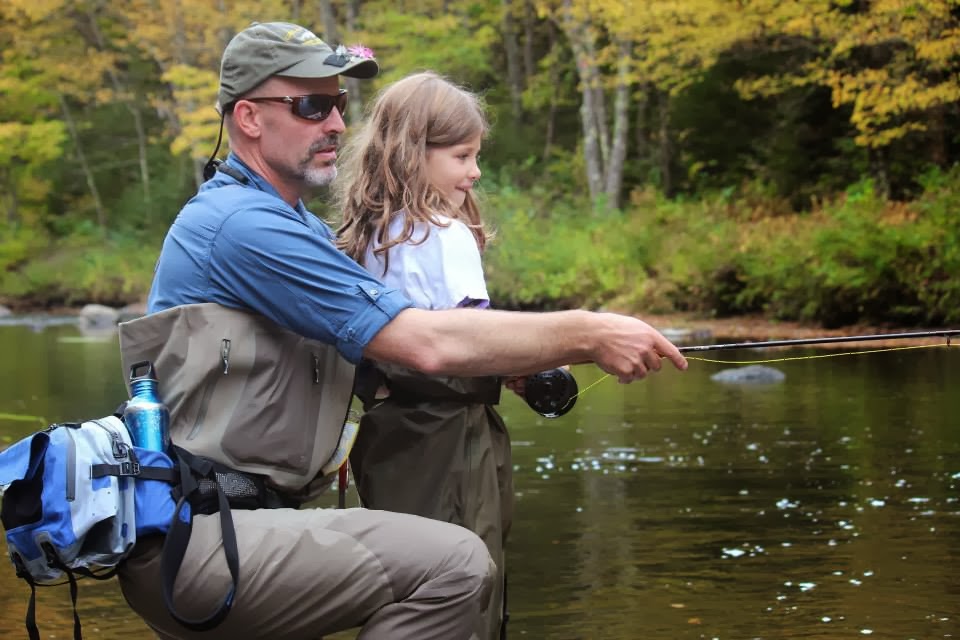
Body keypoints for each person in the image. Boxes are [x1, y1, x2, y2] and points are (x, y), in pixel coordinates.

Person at [115, 20, 687, 640]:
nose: (336, 123)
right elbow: (426, 341)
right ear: (249, 119)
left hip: (241, 525)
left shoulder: (297, 226)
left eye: (337, 104)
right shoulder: (244, 226)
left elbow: (387, 354)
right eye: (311, 105)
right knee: (457, 564)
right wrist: (591, 332)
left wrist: (517, 368)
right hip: (204, 539)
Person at [335, 71, 514, 639]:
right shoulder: (448, 233)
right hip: (454, 438)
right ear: (415, 152)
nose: (475, 172)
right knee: (469, 571)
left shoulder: (364, 236)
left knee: (401, 577)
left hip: (388, 434)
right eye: (462, 156)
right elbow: (475, 338)